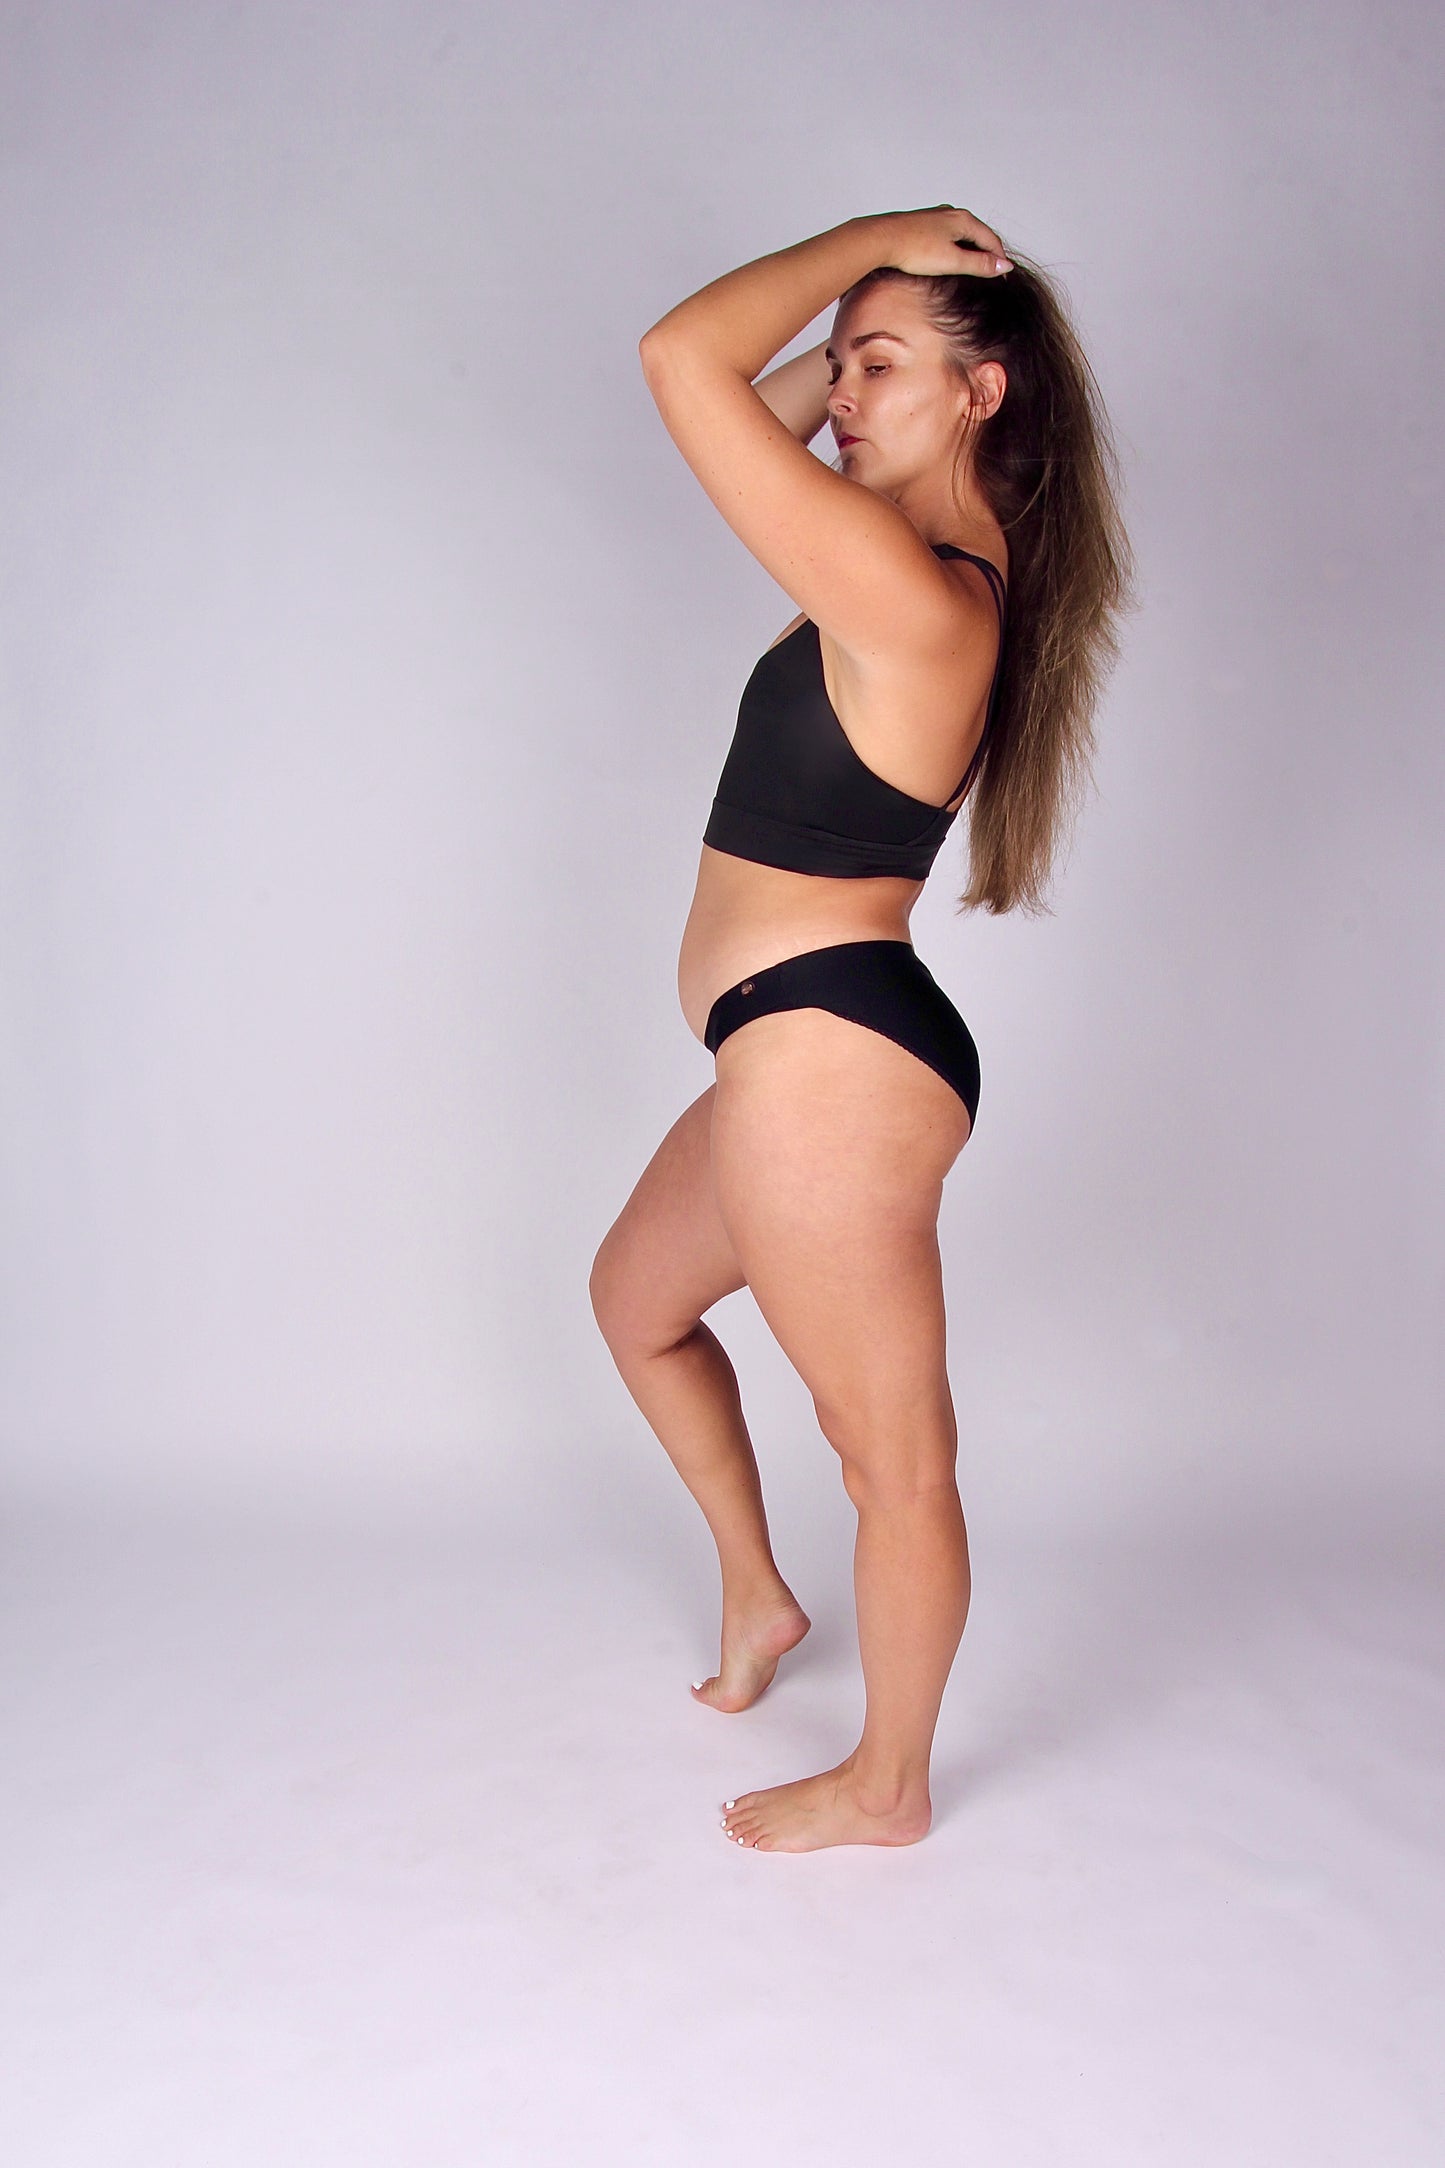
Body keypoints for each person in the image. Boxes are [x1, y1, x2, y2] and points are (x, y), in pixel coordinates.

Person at [589, 206, 1134, 1852]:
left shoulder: (920, 594)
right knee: (636, 1304)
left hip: (830, 1056)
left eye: (878, 364)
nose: (837, 390)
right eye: (837, 363)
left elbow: (680, 363)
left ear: (982, 391)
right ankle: (759, 1595)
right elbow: (735, 419)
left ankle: (887, 1784)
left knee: (890, 1460)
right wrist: (863, 334)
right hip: (788, 1042)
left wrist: (875, 239)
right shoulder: (881, 555)